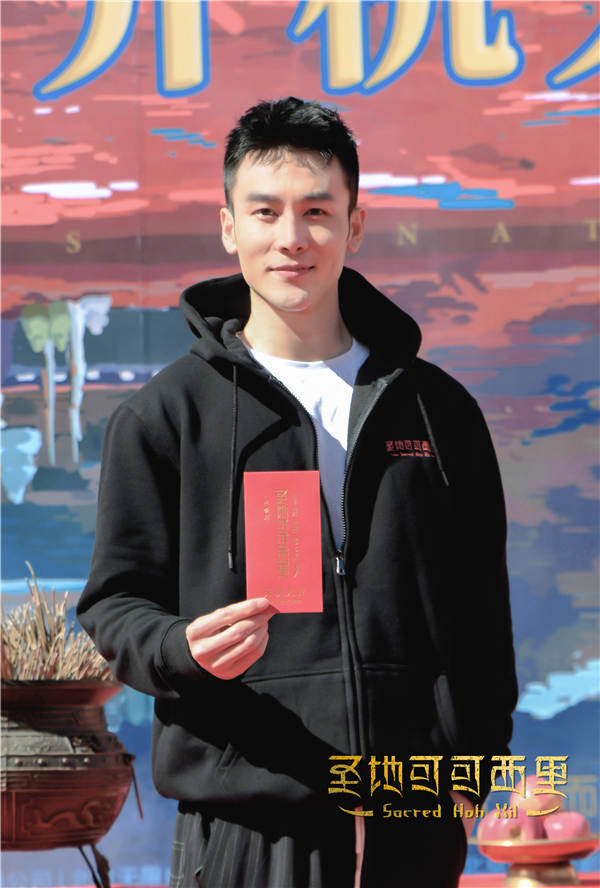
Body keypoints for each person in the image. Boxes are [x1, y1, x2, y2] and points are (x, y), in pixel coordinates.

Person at [77, 97, 518, 888]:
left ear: (354, 225)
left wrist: (469, 777)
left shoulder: (437, 410)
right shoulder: (166, 415)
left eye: (317, 211)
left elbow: (482, 616)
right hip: (247, 819)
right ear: (229, 228)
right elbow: (115, 605)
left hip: (414, 818)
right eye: (265, 212)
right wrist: (181, 648)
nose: (291, 237)